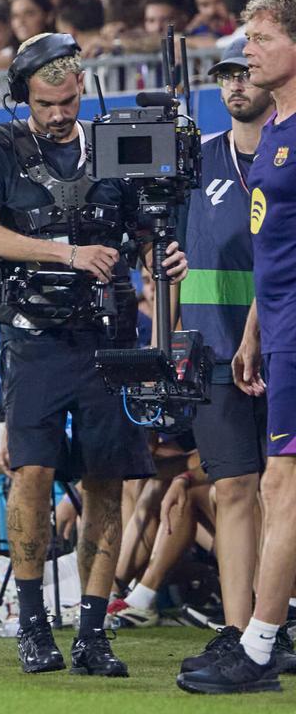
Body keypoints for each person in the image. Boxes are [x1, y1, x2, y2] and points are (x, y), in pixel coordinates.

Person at [0, 32, 188, 677]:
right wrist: (67, 253)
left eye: (67, 99)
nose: (59, 113)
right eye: (44, 102)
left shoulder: (115, 148)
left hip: (108, 336)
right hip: (33, 336)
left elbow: (144, 234)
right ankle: (33, 625)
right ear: (21, 97)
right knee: (29, 472)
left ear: (82, 91)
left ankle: (93, 632)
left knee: (105, 482)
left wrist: (159, 257)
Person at [150, 41, 296, 673]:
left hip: (282, 341)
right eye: (226, 76)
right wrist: (165, 331)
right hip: (212, 349)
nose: (236, 85)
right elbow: (163, 262)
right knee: (234, 487)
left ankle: (274, 625)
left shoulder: (284, 152)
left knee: (283, 489)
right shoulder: (195, 162)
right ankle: (244, 634)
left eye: (244, 72)